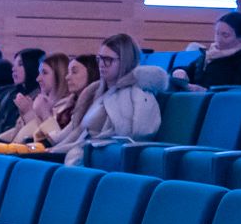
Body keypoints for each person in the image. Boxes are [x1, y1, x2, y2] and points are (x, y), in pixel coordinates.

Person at [57, 34, 164, 166]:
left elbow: (126, 136)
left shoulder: (133, 95)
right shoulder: (97, 92)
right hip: (83, 153)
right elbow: (80, 132)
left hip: (95, 159)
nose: (101, 64)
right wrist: (54, 149)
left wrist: (63, 149)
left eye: (108, 60)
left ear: (124, 61)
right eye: (100, 59)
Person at [181, 13, 241, 90]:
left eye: (225, 35)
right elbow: (190, 70)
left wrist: (206, 91)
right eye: (217, 34)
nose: (219, 39)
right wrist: (180, 72)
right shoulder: (212, 53)